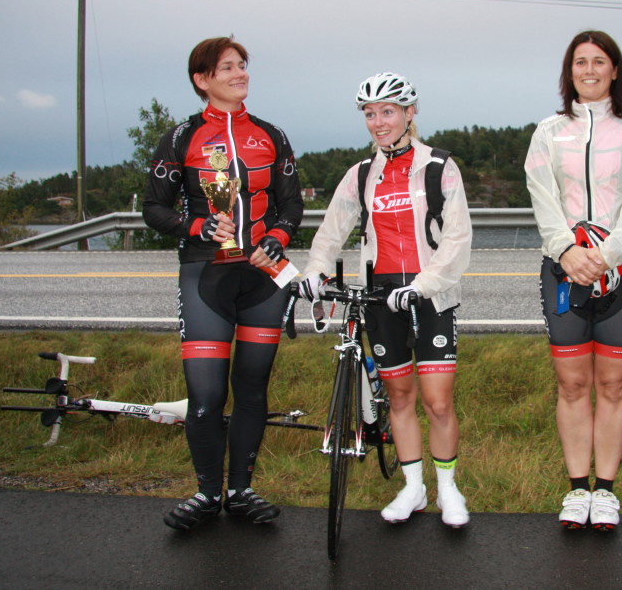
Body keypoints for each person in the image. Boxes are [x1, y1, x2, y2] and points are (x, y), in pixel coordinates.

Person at [299, 72, 473, 528]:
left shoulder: (439, 166)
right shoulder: (360, 174)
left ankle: (448, 489)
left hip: (428, 297)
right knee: (399, 398)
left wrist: (423, 285)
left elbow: (457, 239)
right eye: (371, 114)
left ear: (410, 113)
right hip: (379, 298)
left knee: (437, 401)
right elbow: (331, 231)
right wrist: (315, 272)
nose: (379, 122)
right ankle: (413, 488)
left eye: (388, 111)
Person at [144, 36, 303, 530]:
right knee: (208, 394)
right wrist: (196, 227)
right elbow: (153, 209)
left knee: (253, 389)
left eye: (243, 66)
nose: (240, 74)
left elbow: (291, 204)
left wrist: (276, 238)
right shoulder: (180, 138)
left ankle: (241, 491)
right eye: (228, 68)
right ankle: (206, 493)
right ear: (203, 79)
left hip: (262, 277)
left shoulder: (270, 134)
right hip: (206, 274)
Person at [524, 30, 622, 531]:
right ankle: (576, 489)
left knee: (614, 382)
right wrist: (566, 251)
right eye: (580, 62)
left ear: (614, 70)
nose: (589, 70)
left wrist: (604, 255)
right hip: (562, 269)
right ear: (570, 72)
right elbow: (542, 197)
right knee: (572, 383)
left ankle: (605, 492)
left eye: (598, 61)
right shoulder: (547, 131)